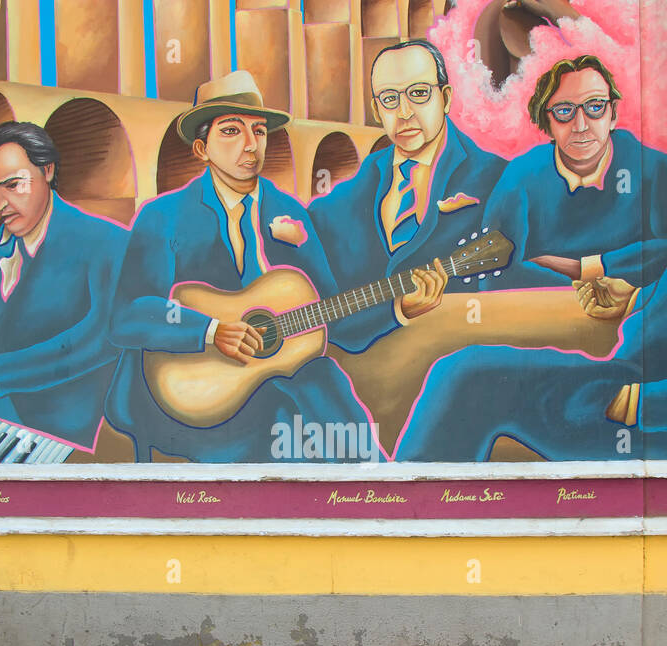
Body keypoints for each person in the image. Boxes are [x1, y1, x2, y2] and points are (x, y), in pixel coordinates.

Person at [395, 78, 667, 462]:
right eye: (564, 113)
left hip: (647, 410)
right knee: (470, 371)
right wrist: (636, 297)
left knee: (468, 375)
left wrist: (641, 402)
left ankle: (413, 519)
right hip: (631, 389)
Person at [104, 71, 448, 463]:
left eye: (259, 131)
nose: (251, 145)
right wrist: (211, 331)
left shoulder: (290, 214)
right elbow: (128, 315)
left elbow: (329, 314)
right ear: (201, 148)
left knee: (320, 382)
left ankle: (370, 483)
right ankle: (368, 486)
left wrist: (400, 308)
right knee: (295, 422)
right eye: (232, 131)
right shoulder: (163, 216)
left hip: (269, 387)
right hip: (182, 395)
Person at [0, 123, 129, 451]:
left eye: (13, 185)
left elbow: (103, 335)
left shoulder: (108, 242)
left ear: (47, 170)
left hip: (60, 443)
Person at [309, 39, 504, 354]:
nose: (403, 112)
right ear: (376, 110)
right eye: (389, 99)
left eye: (418, 93)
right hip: (361, 369)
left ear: (445, 98)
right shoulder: (356, 187)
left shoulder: (495, 179)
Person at [482, 54, 667, 291]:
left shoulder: (652, 167)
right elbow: (494, 271)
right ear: (547, 122)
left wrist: (585, 269)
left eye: (595, 107)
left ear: (612, 114)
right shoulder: (520, 178)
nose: (581, 126)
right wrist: (592, 289)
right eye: (564, 111)